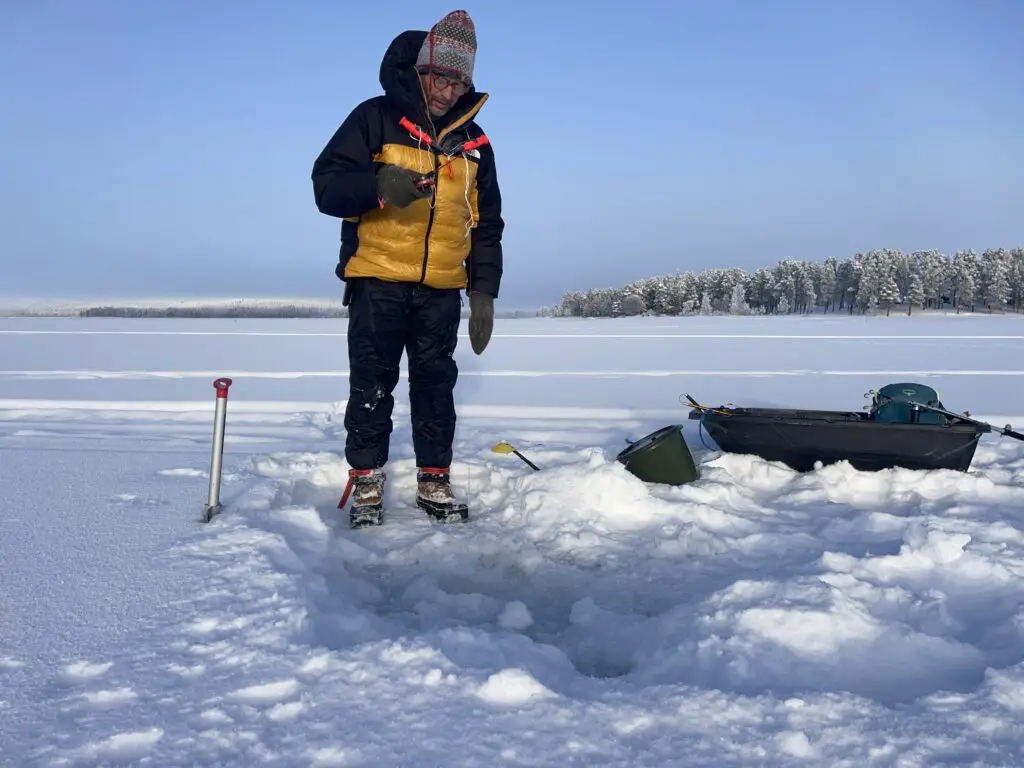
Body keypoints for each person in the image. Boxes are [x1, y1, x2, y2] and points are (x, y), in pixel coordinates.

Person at [311, 9, 503, 529]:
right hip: (377, 278)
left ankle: (433, 478)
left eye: (459, 79)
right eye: (441, 77)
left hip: (442, 287)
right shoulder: (374, 119)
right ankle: (368, 479)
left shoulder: (475, 140)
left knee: (436, 385)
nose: (448, 90)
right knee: (372, 382)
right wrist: (380, 186)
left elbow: (487, 225)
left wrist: (483, 292)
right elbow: (325, 186)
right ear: (420, 72)